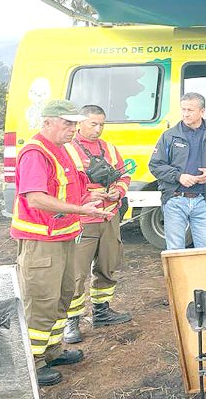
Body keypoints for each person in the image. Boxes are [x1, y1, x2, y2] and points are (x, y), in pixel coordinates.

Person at [11, 99, 114, 387]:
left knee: (63, 295)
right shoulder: (35, 152)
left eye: (74, 123)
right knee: (42, 300)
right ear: (47, 123)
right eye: (66, 123)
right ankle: (34, 362)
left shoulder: (62, 151)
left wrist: (91, 198)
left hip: (65, 236)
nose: (73, 128)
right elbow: (36, 198)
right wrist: (84, 211)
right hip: (41, 241)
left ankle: (52, 351)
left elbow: (67, 194)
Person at [63, 105, 132, 346]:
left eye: (102, 124)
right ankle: (71, 321)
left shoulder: (110, 149)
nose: (98, 129)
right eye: (93, 124)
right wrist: (91, 196)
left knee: (108, 265)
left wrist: (117, 192)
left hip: (109, 216)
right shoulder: (68, 150)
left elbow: (125, 176)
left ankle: (101, 311)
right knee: (76, 273)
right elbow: (67, 186)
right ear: (80, 123)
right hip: (84, 220)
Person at [148, 93, 206, 250]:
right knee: (175, 250)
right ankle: (177, 276)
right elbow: (155, 165)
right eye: (183, 109)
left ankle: (203, 276)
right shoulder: (169, 136)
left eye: (190, 110)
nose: (185, 114)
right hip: (175, 199)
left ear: (202, 111)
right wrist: (179, 177)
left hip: (202, 200)